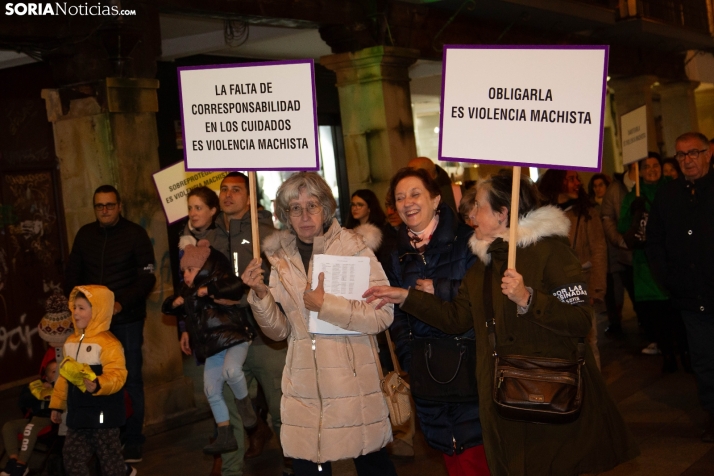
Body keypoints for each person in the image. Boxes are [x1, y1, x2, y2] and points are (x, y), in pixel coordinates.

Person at [364, 171, 639, 476]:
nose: (471, 214)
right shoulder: (485, 265)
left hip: (549, 398)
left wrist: (529, 298)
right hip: (507, 401)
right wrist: (404, 296)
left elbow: (579, 319)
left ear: (502, 213)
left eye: (479, 206)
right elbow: (456, 319)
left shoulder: (550, 251)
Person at [242, 172, 397, 476]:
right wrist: (261, 296)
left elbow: (382, 314)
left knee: (372, 465)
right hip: (304, 386)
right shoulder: (279, 258)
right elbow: (279, 331)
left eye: (312, 205)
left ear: (326, 208)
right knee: (308, 468)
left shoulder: (353, 246)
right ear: (285, 215)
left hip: (351, 383)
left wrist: (326, 306)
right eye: (295, 208)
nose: (304, 215)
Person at [385, 167, 485, 475]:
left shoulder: (469, 240)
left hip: (470, 366)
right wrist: (409, 357)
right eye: (400, 198)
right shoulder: (397, 255)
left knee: (477, 453)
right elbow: (397, 315)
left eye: (416, 194)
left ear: (436, 198)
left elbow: (483, 296)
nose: (408, 203)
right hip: (428, 372)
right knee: (448, 450)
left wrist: (440, 287)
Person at [63, 185, 156, 463]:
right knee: (88, 378)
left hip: (126, 320)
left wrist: (120, 303)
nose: (104, 210)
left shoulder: (135, 234)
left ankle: (133, 438)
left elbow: (147, 277)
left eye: (110, 205)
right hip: (91, 326)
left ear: (119, 206)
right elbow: (72, 274)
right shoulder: (85, 235)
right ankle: (98, 436)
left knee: (129, 378)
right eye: (99, 206)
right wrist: (79, 307)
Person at [207, 172, 282, 474]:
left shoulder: (265, 232)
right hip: (226, 336)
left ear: (249, 197)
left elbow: (280, 283)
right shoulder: (209, 236)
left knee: (281, 407)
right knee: (229, 410)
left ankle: (295, 462)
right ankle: (231, 470)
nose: (228, 195)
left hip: (264, 336)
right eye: (224, 189)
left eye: (236, 190)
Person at [647, 131, 714, 441]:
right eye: (681, 154)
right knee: (703, 357)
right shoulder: (667, 195)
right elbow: (655, 242)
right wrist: (668, 279)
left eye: (694, 153)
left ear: (709, 153)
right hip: (689, 296)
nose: (688, 160)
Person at [162, 240, 257, 455]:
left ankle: (247, 409)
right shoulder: (188, 291)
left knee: (231, 371)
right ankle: (225, 434)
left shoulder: (218, 278)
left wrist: (210, 289)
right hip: (213, 347)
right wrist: (174, 303)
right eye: (184, 270)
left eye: (191, 269)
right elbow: (168, 307)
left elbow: (235, 287)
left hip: (235, 339)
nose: (186, 275)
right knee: (211, 390)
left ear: (204, 267)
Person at [49, 285, 135, 476]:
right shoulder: (70, 342)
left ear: (97, 311)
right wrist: (57, 405)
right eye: (74, 307)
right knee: (71, 458)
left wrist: (99, 384)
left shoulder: (108, 343)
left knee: (109, 461)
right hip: (79, 415)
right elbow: (63, 377)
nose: (76, 313)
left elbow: (118, 375)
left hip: (103, 413)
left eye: (81, 308)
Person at [618, 154, 688, 372]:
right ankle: (668, 356)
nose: (652, 170)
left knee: (679, 315)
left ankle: (686, 355)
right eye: (646, 167)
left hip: (675, 260)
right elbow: (623, 228)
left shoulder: (674, 188)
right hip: (646, 265)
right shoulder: (633, 196)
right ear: (639, 172)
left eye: (655, 165)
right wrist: (634, 212)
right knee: (658, 317)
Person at [538, 169, 607, 368]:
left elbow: (599, 252)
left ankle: (594, 392)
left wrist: (596, 289)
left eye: (578, 178)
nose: (577, 182)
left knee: (588, 343)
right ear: (557, 182)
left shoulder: (587, 213)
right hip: (551, 290)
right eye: (571, 179)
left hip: (581, 288)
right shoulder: (543, 215)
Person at [1, 351, 58, 476]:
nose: (57, 374)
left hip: (49, 419)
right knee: (9, 426)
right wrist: (40, 390)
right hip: (34, 418)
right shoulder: (37, 385)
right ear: (46, 376)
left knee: (30, 428)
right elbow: (22, 401)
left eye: (58, 371)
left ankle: (21, 464)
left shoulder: (63, 387)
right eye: (53, 372)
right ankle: (13, 460)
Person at [600, 163, 641, 337]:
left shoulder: (646, 184)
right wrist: (620, 240)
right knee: (625, 291)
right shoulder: (615, 189)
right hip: (624, 255)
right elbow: (607, 218)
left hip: (646, 254)